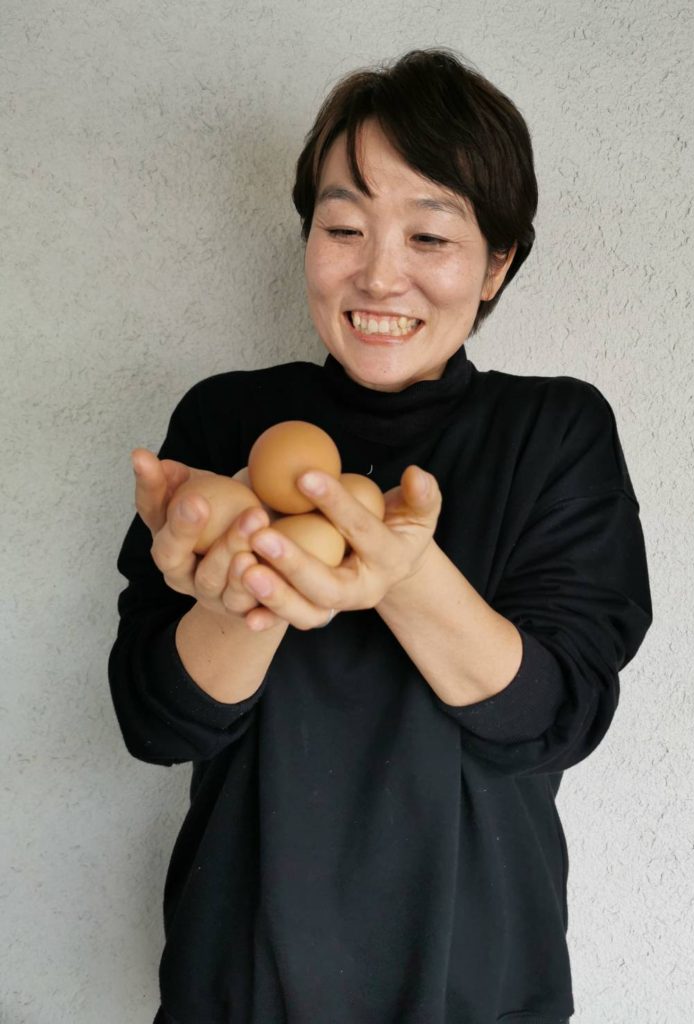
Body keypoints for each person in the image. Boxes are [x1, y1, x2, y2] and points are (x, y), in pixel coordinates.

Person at [109, 48, 652, 1024]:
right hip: (241, 980)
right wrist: (247, 596)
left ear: (497, 263)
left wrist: (405, 576)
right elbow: (156, 722)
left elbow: (558, 717)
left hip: (476, 984)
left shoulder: (553, 432)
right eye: (344, 227)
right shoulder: (228, 424)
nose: (378, 273)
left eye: (429, 235)